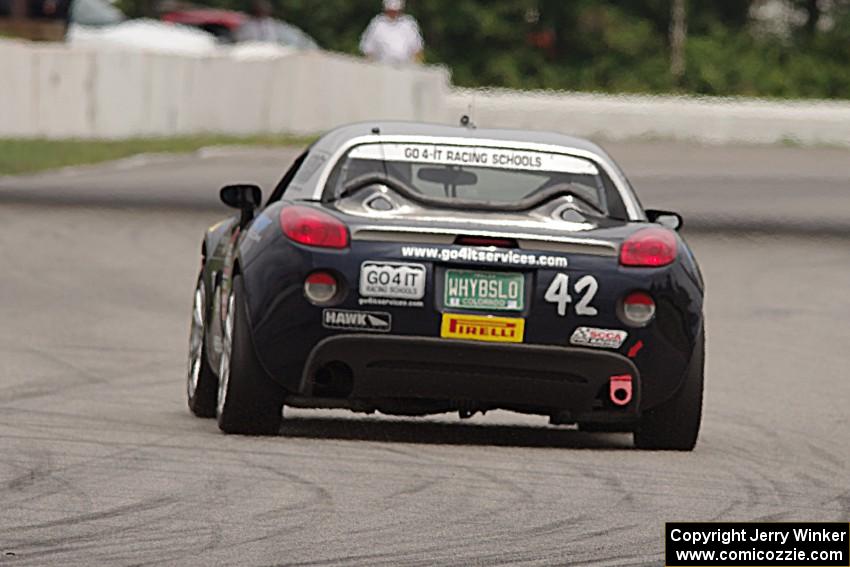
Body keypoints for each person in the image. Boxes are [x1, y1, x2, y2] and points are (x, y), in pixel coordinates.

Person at [359, 0, 424, 65]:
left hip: (405, 69)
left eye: (396, 11)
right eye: (390, 10)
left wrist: (416, 68)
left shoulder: (409, 25)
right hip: (381, 67)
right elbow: (368, 51)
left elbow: (417, 50)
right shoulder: (377, 25)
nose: (393, 13)